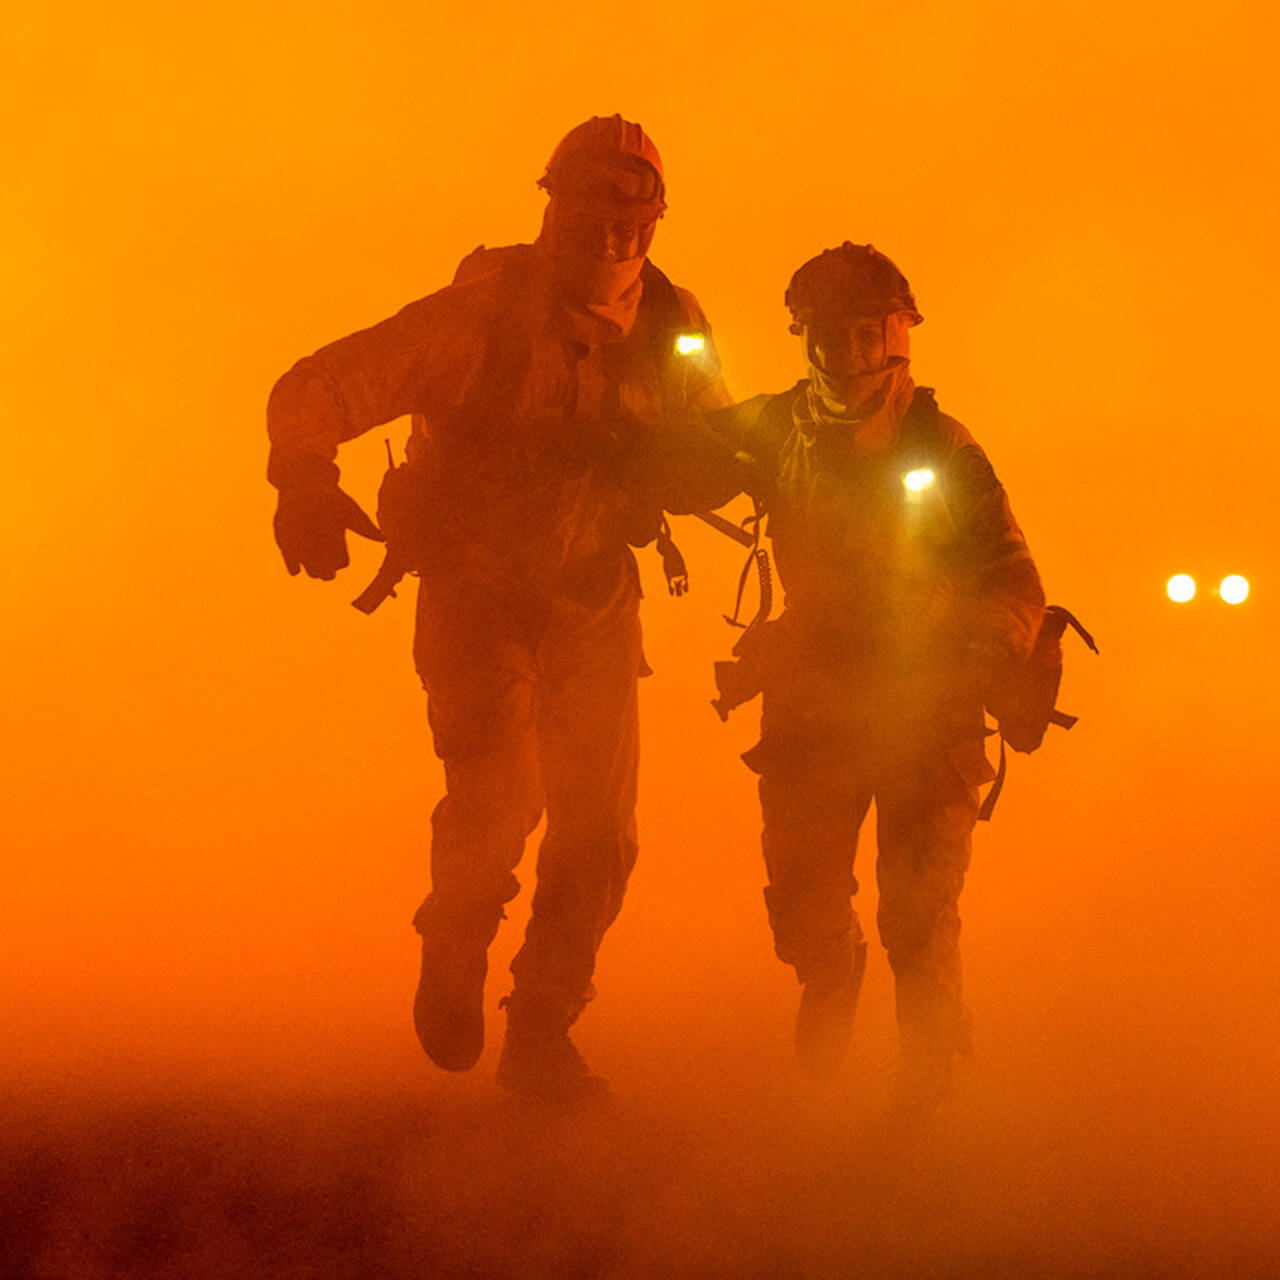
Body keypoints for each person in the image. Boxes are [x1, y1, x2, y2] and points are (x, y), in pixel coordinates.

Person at [266, 115, 730, 1103]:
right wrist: (303, 478)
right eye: (585, 207)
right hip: (476, 594)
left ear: (652, 219)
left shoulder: (671, 330)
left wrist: (717, 472)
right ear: (548, 209)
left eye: (627, 209)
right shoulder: (478, 317)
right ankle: (456, 936)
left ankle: (541, 1036)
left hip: (595, 600)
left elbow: (721, 448)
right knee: (500, 796)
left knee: (600, 836)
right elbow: (324, 383)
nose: (607, 231)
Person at [703, 243, 1045, 1109]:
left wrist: (986, 647)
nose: (850, 356)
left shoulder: (946, 447)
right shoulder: (774, 427)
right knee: (805, 902)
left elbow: (1013, 572)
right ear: (804, 340)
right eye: (831, 337)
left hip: (927, 706)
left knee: (918, 912)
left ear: (899, 336)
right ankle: (831, 976)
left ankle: (927, 1090)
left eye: (868, 335)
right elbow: (677, 456)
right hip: (812, 702)